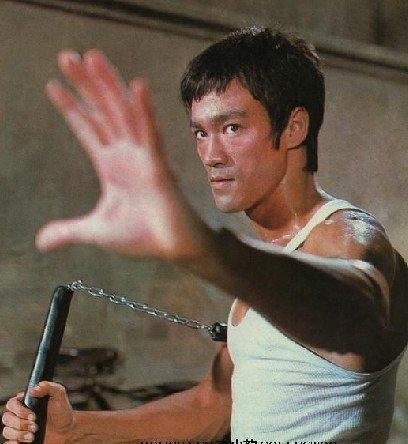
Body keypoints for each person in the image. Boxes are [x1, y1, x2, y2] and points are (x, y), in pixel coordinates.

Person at [2, 26, 407, 443]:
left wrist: (202, 246)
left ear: (294, 127)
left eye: (231, 127)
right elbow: (210, 406)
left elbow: (357, 315)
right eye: (200, 132)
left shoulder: (347, 237)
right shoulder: (268, 261)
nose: (211, 156)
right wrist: (74, 430)